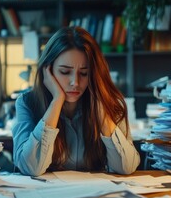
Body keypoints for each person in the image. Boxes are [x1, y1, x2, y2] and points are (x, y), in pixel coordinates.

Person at [12, 26, 140, 176]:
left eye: (84, 73)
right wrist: (57, 101)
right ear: (48, 71)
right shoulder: (27, 103)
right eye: (65, 72)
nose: (75, 82)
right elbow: (31, 168)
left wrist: (100, 109)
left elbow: (126, 167)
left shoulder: (111, 105)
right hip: (50, 197)